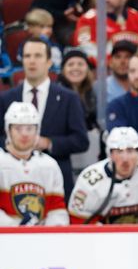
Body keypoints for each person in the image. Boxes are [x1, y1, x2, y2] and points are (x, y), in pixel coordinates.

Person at [0, 37, 89, 198]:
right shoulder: (6, 98)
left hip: (55, 183)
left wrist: (48, 143)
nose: (32, 61)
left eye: (38, 56)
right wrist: (14, 145)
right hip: (11, 183)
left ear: (49, 62)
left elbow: (81, 140)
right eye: (27, 56)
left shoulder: (69, 98)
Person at [0, 102, 68, 226]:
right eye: (18, 128)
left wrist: (47, 233)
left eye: (30, 128)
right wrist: (19, 227)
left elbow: (57, 210)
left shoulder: (49, 165)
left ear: (37, 130)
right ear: (8, 130)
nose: (25, 134)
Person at [72, 0, 138, 64]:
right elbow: (86, 51)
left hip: (134, 73)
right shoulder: (88, 19)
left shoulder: (136, 16)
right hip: (103, 76)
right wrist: (117, 63)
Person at [57, 48, 100, 173]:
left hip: (90, 155)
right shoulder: (55, 94)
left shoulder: (94, 93)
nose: (76, 68)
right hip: (65, 154)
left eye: (80, 64)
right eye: (70, 64)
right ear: (63, 69)